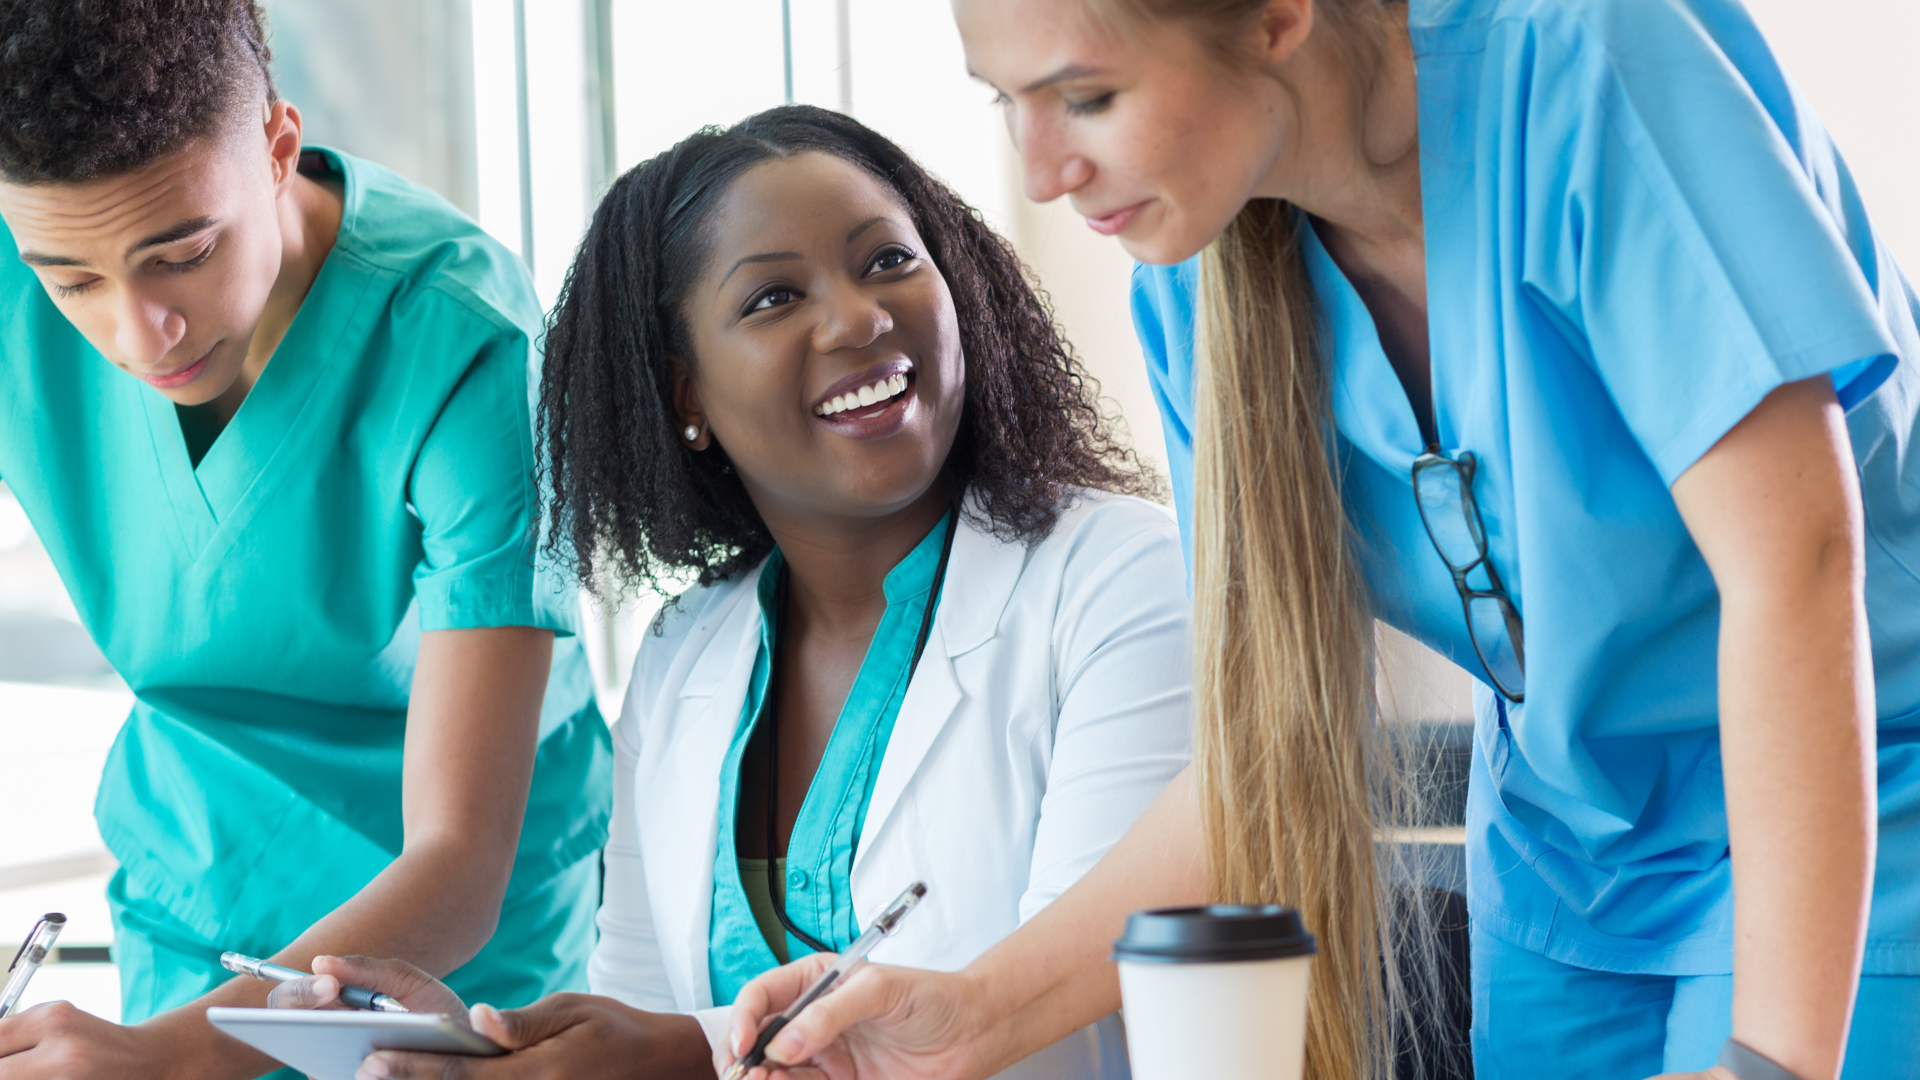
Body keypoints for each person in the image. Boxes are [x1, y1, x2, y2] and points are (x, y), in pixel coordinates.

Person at [718, 1, 1920, 1079]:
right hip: (1570, 856)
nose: (1042, 171)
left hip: (1865, 799)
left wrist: (1768, 1065)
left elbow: (1797, 565)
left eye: (1088, 95)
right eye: (1009, 103)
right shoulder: (1196, 275)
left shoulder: (1584, 64)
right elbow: (1266, 740)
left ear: (1277, 16)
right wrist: (973, 1015)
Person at [258, 104, 1192, 1080]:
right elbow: (637, 1024)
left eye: (887, 262)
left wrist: (663, 1054)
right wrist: (492, 1057)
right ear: (684, 395)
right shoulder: (684, 652)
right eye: (775, 298)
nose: (859, 317)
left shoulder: (1119, 582)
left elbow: (1065, 1012)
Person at [0, 2, 609, 1077]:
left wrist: (169, 1062)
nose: (140, 333)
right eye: (74, 282)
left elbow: (458, 860)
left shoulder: (468, 344)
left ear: (280, 146)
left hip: (446, 937)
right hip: (201, 877)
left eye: (183, 251)